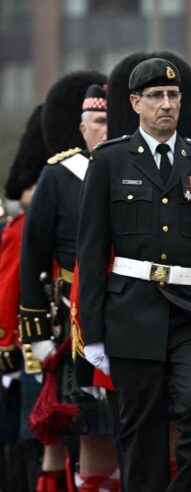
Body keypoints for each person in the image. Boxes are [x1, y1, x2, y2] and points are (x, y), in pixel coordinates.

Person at [76, 56, 191, 492]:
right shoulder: (111, 161)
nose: (166, 104)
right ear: (135, 102)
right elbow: (92, 251)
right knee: (142, 431)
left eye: (173, 95)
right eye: (155, 96)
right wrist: (92, 332)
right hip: (133, 311)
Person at [20, 74, 121, 492]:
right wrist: (36, 331)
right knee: (88, 427)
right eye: (97, 122)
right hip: (72, 321)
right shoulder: (58, 175)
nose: (105, 130)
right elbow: (33, 255)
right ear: (81, 128)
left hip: (127, 309)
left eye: (110, 122)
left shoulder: (130, 169)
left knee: (129, 427)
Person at [0, 105, 48, 492]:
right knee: (33, 435)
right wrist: (5, 341)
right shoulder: (22, 227)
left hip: (65, 334)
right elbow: (10, 286)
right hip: (31, 343)